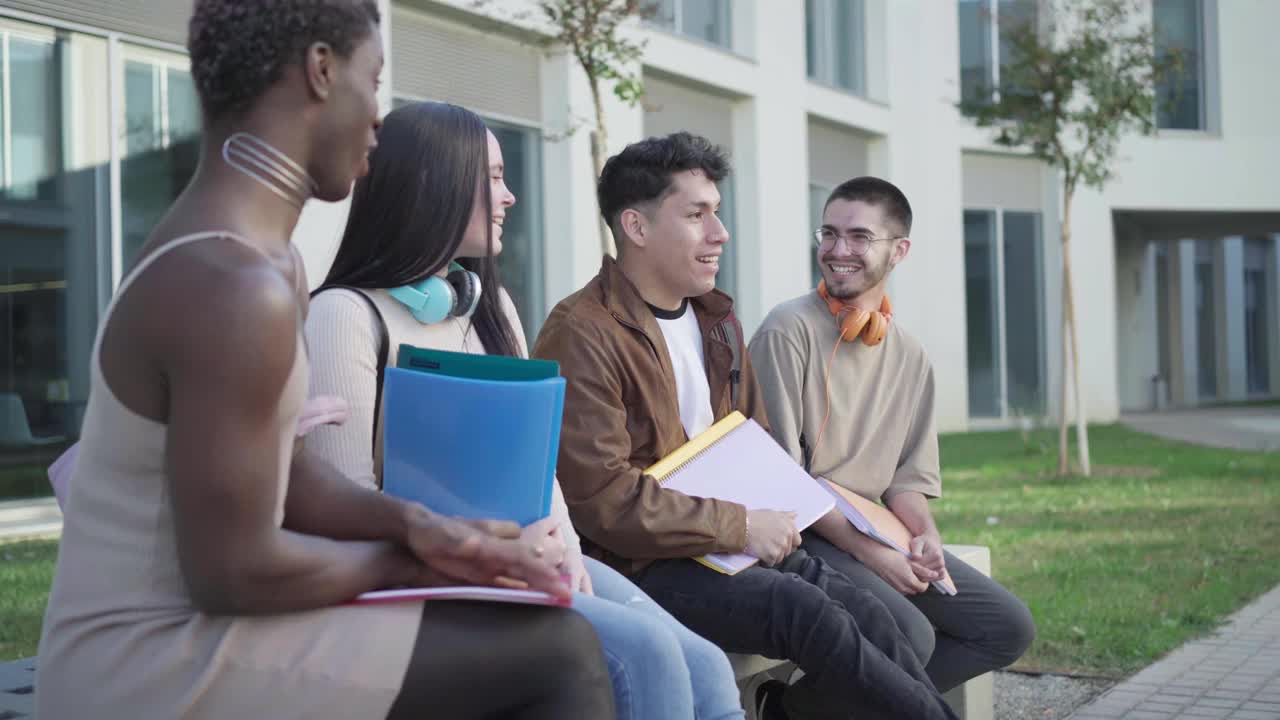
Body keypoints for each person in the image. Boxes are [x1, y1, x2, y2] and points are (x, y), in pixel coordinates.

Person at [34, 3, 614, 719]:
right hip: (144, 662)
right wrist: (423, 562)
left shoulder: (256, 258)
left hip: (195, 629)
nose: (377, 116)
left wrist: (413, 524)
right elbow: (232, 573)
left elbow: (283, 470)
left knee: (540, 637)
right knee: (557, 656)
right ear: (320, 71)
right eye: (373, 80)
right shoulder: (234, 283)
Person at [304, 100, 744, 720]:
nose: (510, 197)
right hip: (434, 577)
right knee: (646, 653)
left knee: (706, 664)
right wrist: (501, 556)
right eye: (492, 178)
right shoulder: (345, 316)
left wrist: (564, 550)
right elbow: (344, 503)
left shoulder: (488, 306)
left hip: (530, 554)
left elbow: (540, 468)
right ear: (433, 184)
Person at [532, 132, 960, 720]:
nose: (720, 234)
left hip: (736, 544)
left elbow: (752, 448)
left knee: (875, 616)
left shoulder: (718, 321)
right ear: (635, 226)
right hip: (647, 563)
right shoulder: (582, 332)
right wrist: (737, 526)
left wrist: (758, 522)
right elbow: (603, 502)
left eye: (718, 213)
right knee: (809, 614)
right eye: (697, 215)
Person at [747, 176, 1036, 696]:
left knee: (1007, 627)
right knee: (914, 638)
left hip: (873, 526)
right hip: (803, 532)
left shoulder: (910, 355)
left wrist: (923, 535)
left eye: (859, 237)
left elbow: (907, 480)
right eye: (829, 233)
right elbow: (782, 484)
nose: (838, 251)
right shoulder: (785, 332)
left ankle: (797, 712)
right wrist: (876, 556)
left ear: (899, 250)